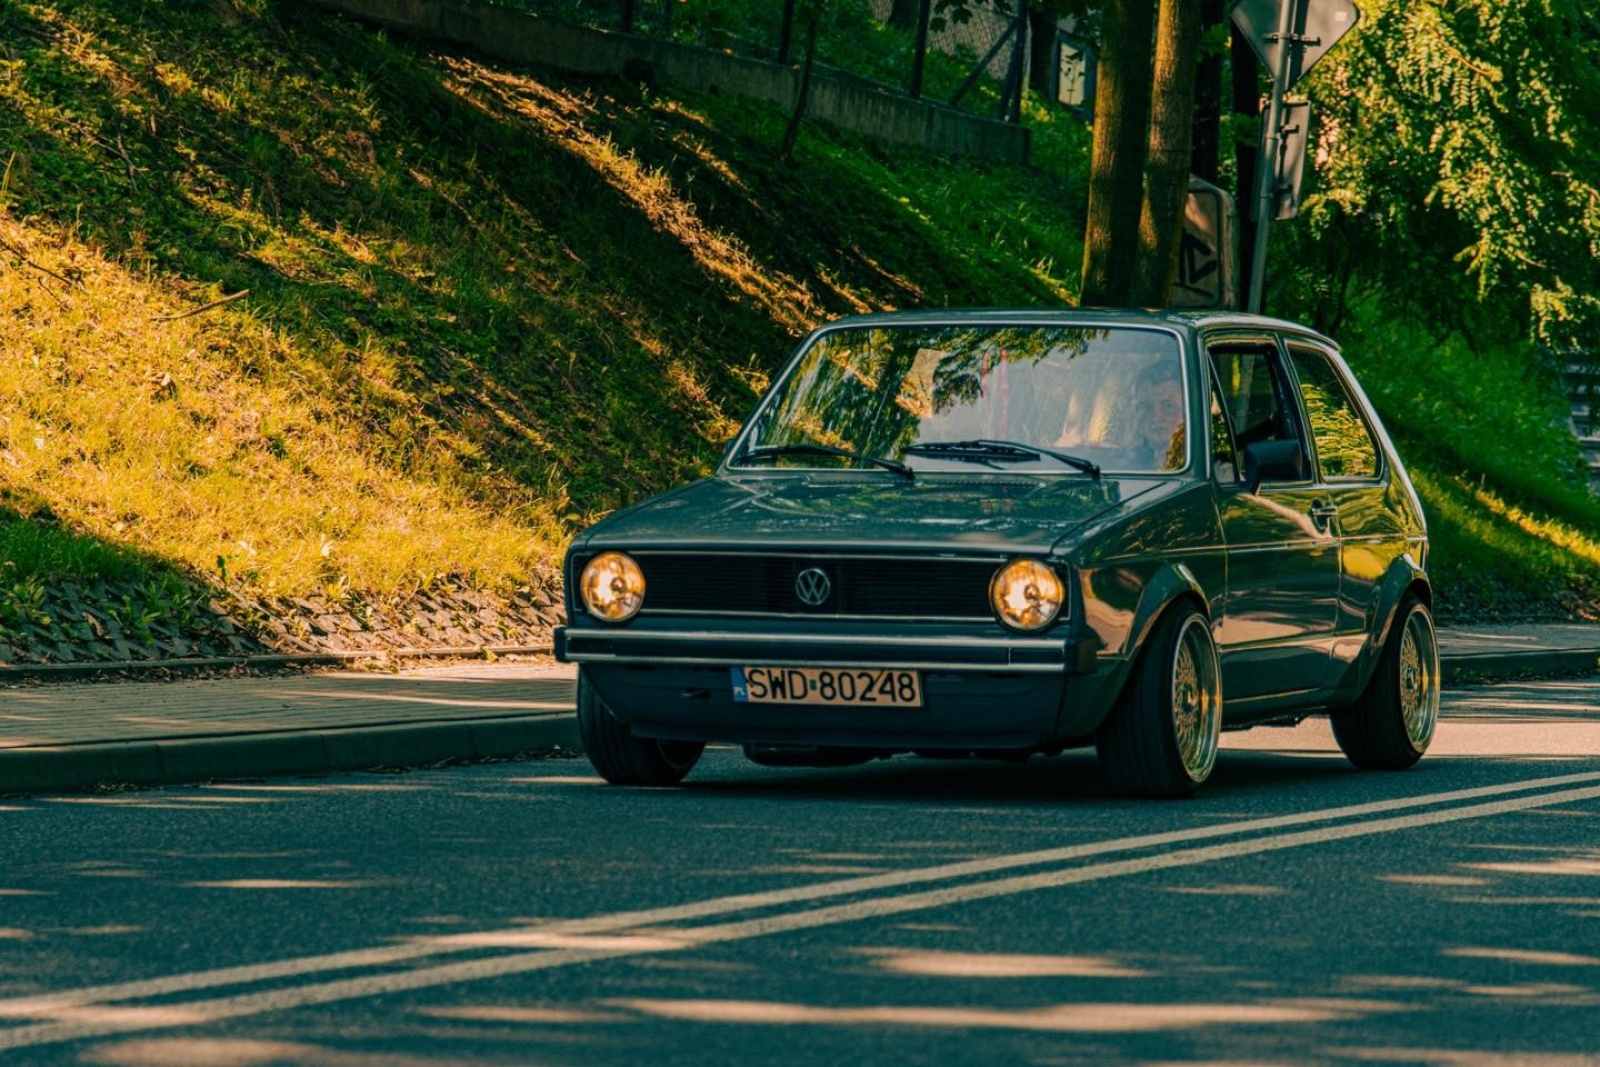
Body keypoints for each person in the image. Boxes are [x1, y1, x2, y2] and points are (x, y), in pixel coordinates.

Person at [1131, 361, 1186, 470]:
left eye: (1168, 406)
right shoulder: (1125, 465)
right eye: (1146, 407)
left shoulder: (1210, 467)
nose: (1156, 417)